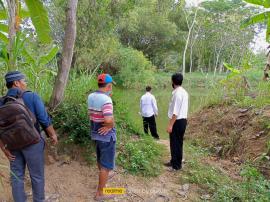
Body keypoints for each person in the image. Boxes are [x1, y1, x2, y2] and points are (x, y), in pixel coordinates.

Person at [0, 71, 58, 202]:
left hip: (12, 145)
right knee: (37, 176)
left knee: (16, 176)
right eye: (23, 81)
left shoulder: (1, 102)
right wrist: (53, 134)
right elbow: (44, 119)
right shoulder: (31, 96)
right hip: (33, 142)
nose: (25, 83)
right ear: (16, 83)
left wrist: (4, 149)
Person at [87, 73, 117, 201]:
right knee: (106, 166)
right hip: (106, 136)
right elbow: (108, 120)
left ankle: (102, 182)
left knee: (100, 160)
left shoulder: (91, 96)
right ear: (109, 86)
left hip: (96, 134)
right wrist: (111, 125)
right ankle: (100, 194)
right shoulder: (106, 100)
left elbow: (92, 114)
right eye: (111, 86)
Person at [165, 73, 188, 171]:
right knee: (178, 143)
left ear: (173, 81)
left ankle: (176, 166)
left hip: (177, 121)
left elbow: (175, 112)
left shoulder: (177, 94)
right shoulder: (183, 92)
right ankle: (174, 161)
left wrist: (170, 125)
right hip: (182, 121)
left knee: (175, 143)